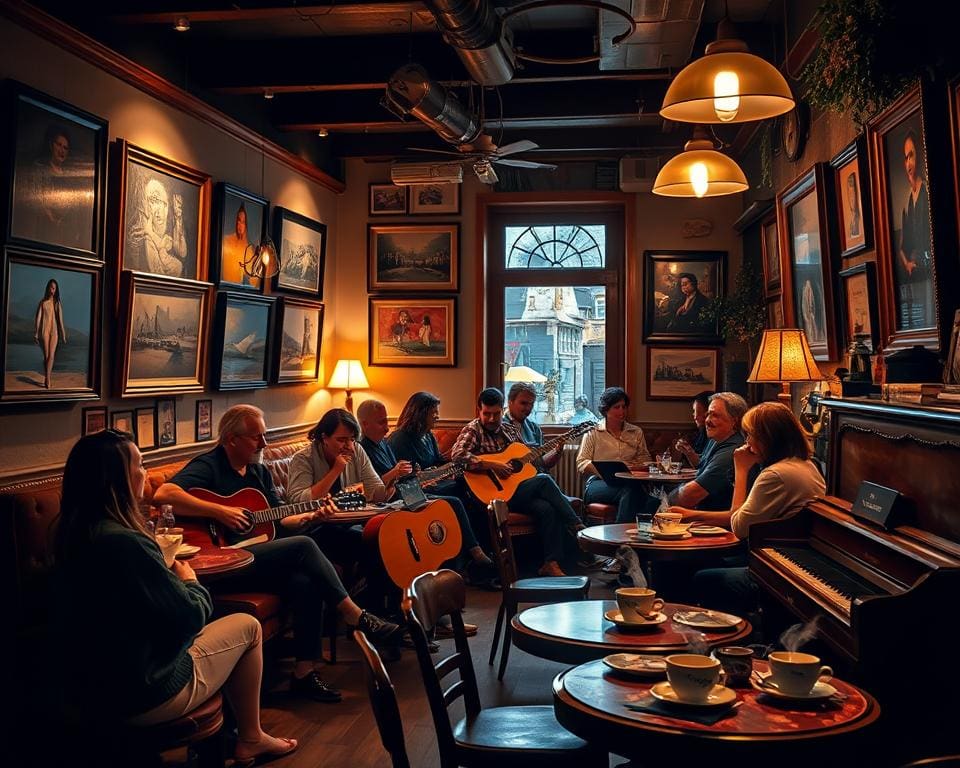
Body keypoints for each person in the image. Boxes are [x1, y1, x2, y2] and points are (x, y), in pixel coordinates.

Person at [51, 429, 297, 765]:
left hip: (86, 687)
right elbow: (190, 617)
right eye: (139, 465)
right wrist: (190, 581)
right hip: (142, 692)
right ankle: (251, 738)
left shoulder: (70, 533)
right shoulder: (125, 542)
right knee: (247, 625)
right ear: (115, 478)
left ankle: (231, 735)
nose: (144, 474)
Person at [152, 405, 401, 704]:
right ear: (232, 439)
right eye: (257, 437)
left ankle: (304, 674)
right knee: (305, 546)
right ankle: (355, 615)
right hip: (221, 557)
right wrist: (222, 511)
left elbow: (280, 518)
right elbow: (163, 494)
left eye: (265, 436)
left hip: (254, 553)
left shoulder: (258, 471)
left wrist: (312, 516)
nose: (264, 444)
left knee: (304, 579)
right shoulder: (210, 465)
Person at [680, 403, 826, 615]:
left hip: (778, 565)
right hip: (796, 556)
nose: (746, 441)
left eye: (750, 435)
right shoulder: (806, 464)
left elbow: (738, 527)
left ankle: (725, 637)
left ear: (767, 438)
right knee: (700, 560)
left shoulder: (775, 475)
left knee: (701, 575)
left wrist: (741, 468)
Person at [357, 398, 496, 597]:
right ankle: (473, 554)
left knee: (463, 491)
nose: (387, 428)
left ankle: (466, 561)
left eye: (386, 421)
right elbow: (375, 489)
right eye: (381, 423)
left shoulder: (383, 444)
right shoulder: (366, 449)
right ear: (364, 424)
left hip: (407, 489)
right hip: (398, 497)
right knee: (453, 502)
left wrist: (411, 472)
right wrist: (399, 473)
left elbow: (403, 472)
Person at [452, 387, 586, 577]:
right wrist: (491, 464)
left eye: (496, 414)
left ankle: (550, 562)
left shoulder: (509, 430)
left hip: (513, 491)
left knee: (547, 509)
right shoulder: (473, 429)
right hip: (489, 496)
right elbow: (457, 455)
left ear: (502, 409)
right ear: (478, 411)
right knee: (544, 481)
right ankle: (577, 525)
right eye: (486, 414)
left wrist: (555, 450)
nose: (491, 419)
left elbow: (527, 459)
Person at [576, 386, 651, 525]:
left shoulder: (636, 432)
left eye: (624, 407)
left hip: (629, 481)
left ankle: (625, 539)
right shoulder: (593, 432)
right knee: (635, 493)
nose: (622, 411)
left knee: (636, 492)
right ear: (606, 409)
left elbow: (645, 460)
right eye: (617, 407)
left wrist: (634, 467)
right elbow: (582, 462)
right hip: (599, 483)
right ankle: (622, 539)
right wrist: (603, 472)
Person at [665, 392, 748, 512]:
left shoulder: (732, 451)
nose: (707, 420)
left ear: (734, 421)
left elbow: (688, 496)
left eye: (715, 415)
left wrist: (664, 500)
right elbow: (701, 466)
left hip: (713, 522)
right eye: (708, 414)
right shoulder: (716, 438)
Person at [897, 128, 935, 329]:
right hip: (917, 278)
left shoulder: (928, 191)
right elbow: (902, 246)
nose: (908, 163)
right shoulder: (907, 201)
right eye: (905, 158)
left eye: (911, 155)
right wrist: (908, 264)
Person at [130, 177, 188, 276]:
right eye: (152, 201)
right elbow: (155, 272)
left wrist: (178, 221)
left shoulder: (173, 225)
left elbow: (182, 253)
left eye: (162, 203)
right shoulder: (146, 239)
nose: (158, 212)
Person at [34, 278, 67, 389]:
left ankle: (47, 379)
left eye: (54, 288)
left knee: (51, 356)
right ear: (48, 288)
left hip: (54, 332)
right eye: (51, 287)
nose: (52, 290)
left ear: (56, 290)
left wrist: (63, 334)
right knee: (47, 356)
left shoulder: (57, 303)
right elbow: (38, 318)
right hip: (44, 331)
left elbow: (61, 320)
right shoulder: (43, 303)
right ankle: (47, 378)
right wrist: (36, 332)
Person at [674, 390, 713, 468]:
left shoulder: (717, 437)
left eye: (695, 411)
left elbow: (704, 467)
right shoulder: (700, 434)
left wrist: (689, 452)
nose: (694, 416)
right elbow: (699, 465)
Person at [221, 202, 254, 286]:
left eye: (243, 222)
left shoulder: (250, 249)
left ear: (247, 224)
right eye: (238, 220)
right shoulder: (226, 240)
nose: (239, 224)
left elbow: (252, 281)